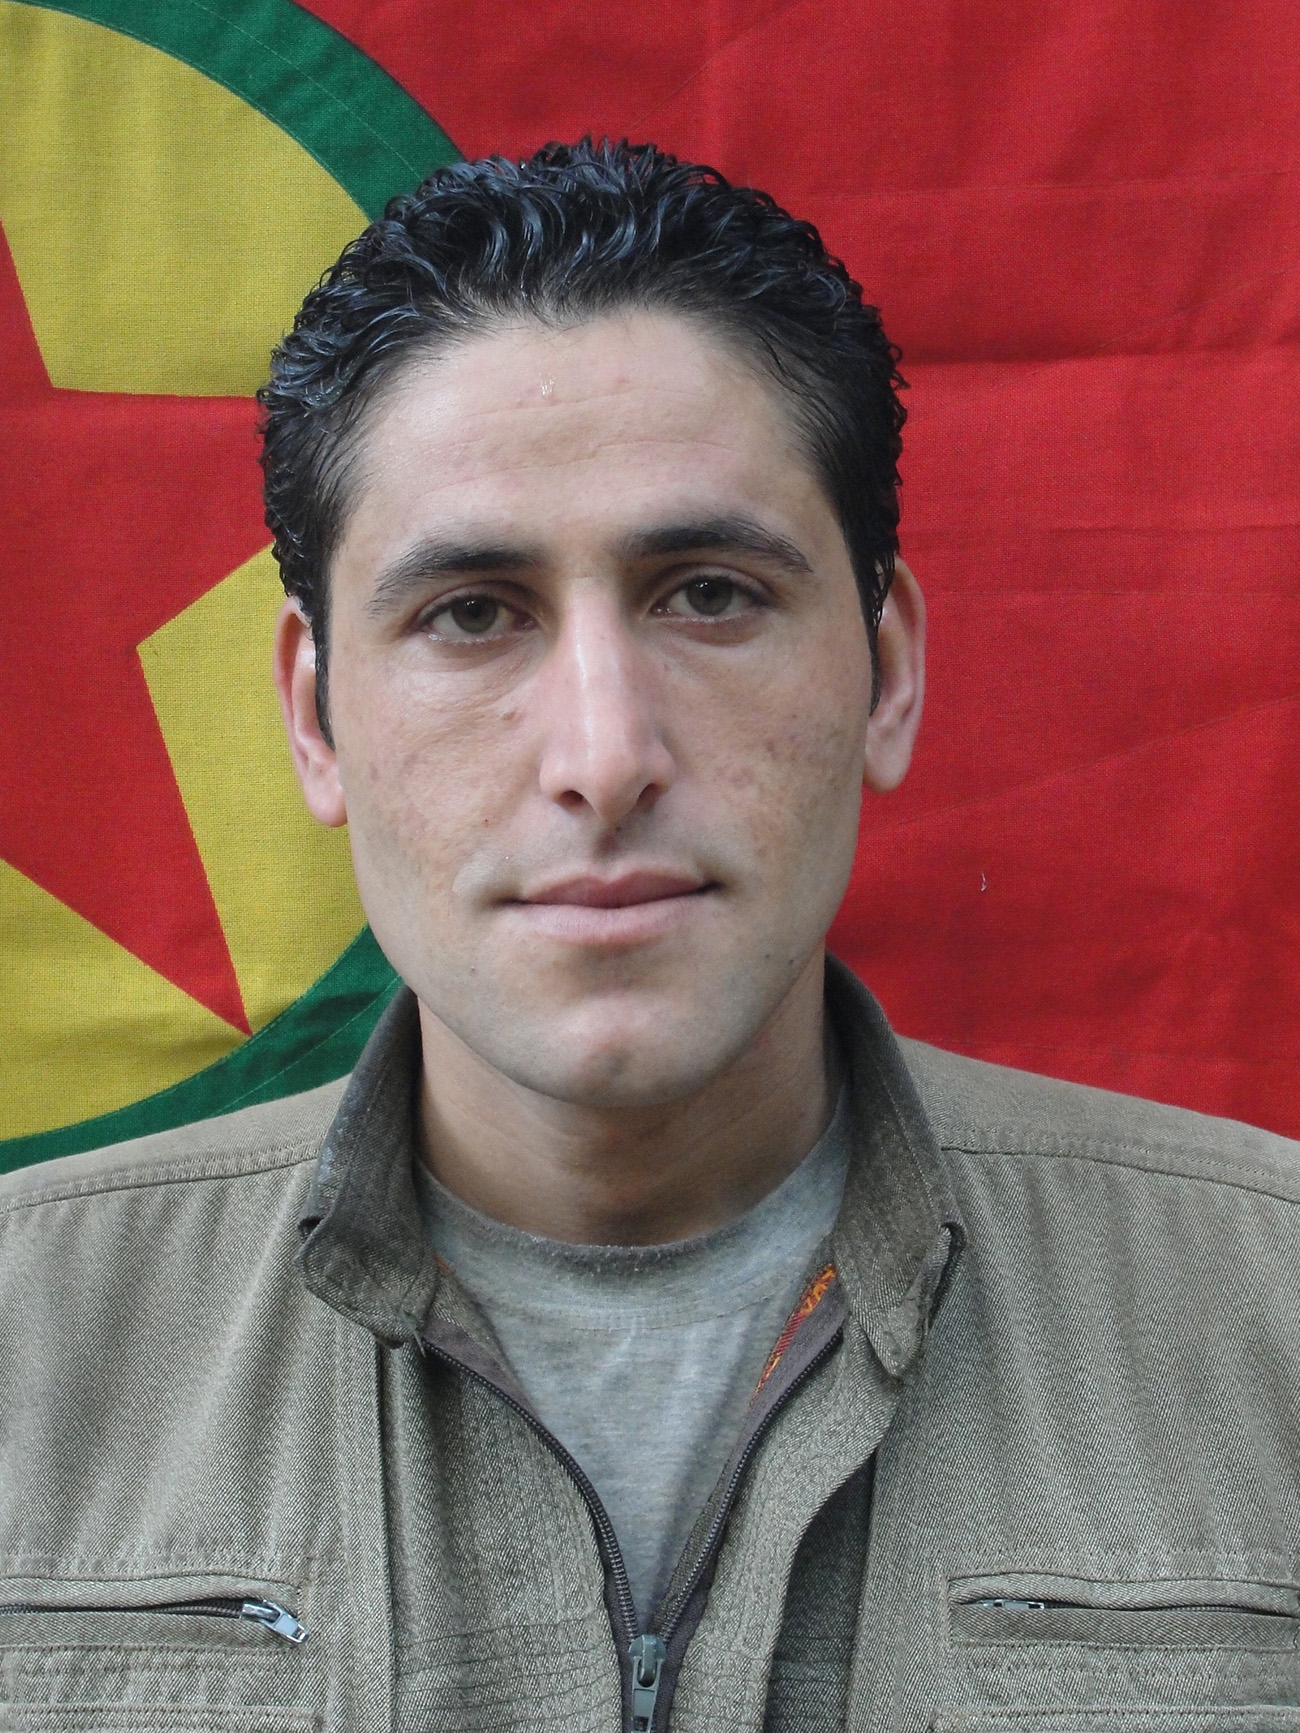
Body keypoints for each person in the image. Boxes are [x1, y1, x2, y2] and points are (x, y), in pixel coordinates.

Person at [2, 139, 1298, 1733]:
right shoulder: (24, 1349)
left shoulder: (1272, 1315)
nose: (604, 754)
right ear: (315, 718)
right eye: (472, 612)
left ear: (886, 671)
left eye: (709, 594)